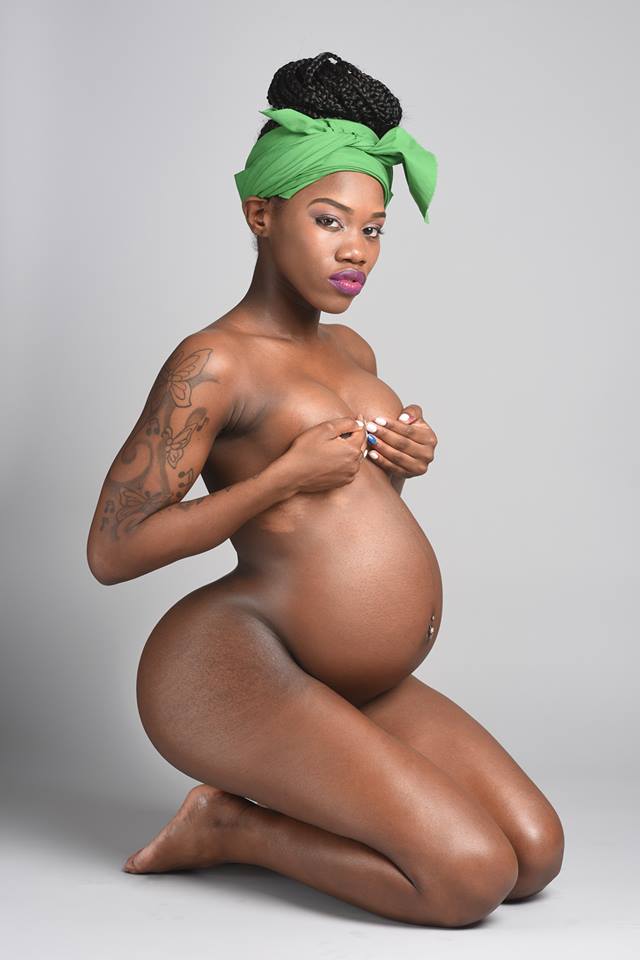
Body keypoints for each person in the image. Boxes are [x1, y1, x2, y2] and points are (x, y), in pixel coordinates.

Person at [86, 52, 564, 927]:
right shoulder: (214, 362)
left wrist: (398, 469)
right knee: (468, 880)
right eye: (329, 220)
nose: (355, 251)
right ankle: (230, 828)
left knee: (535, 854)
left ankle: (256, 813)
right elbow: (112, 551)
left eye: (375, 229)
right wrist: (280, 479)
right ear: (261, 213)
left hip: (349, 672)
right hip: (238, 664)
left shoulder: (352, 353)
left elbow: (339, 526)